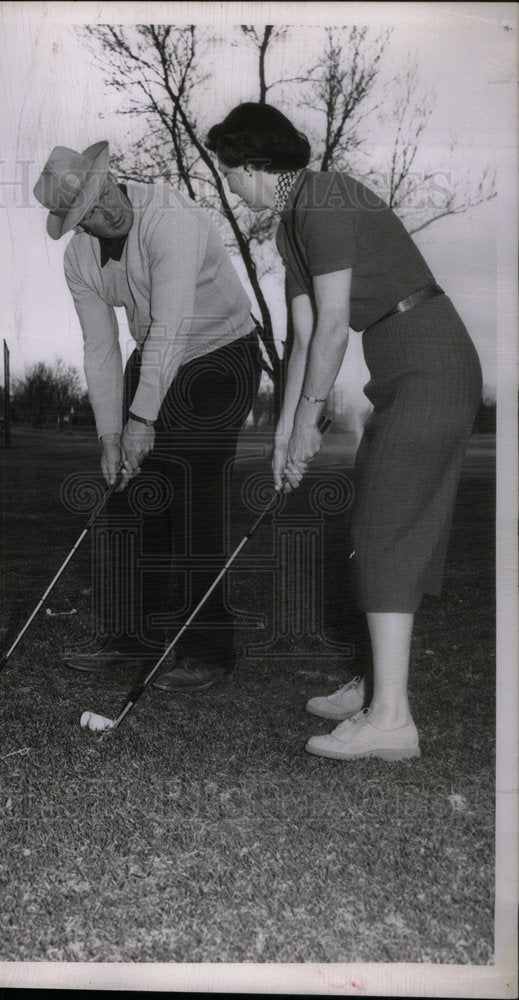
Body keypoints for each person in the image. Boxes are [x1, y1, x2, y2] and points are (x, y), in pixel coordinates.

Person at [206, 104, 482, 760]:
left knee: (382, 531)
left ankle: (391, 721)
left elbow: (334, 325)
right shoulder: (289, 228)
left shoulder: (323, 198)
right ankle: (372, 688)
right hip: (402, 369)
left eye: (228, 172)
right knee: (379, 524)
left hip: (431, 363)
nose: (227, 186)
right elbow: (303, 335)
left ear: (254, 166)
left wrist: (310, 420)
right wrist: (283, 438)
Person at [33, 141, 261, 691]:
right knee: (133, 498)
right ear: (76, 224)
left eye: (103, 192)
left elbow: (173, 324)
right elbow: (101, 349)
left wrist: (142, 420)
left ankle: (210, 649)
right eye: (88, 209)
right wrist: (112, 434)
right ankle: (140, 636)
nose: (105, 209)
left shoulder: (171, 217)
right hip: (155, 355)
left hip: (220, 353)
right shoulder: (79, 260)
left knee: (190, 489)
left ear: (112, 178)